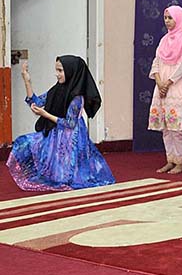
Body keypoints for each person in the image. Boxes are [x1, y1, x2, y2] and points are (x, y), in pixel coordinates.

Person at [7, 56, 115, 191]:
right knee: (23, 143)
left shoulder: (77, 97)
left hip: (71, 137)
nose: (56, 74)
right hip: (56, 132)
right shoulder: (57, 89)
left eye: (60, 71)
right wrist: (27, 81)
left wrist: (45, 115)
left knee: (69, 175)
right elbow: (37, 103)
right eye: (56, 70)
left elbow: (69, 123)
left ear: (71, 72)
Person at [147, 5, 182, 174]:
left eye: (170, 18)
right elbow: (156, 62)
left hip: (176, 87)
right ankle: (170, 159)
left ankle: (180, 162)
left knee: (177, 128)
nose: (167, 21)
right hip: (161, 87)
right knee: (165, 128)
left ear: (179, 18)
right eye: (165, 18)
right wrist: (159, 82)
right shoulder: (164, 40)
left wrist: (168, 83)